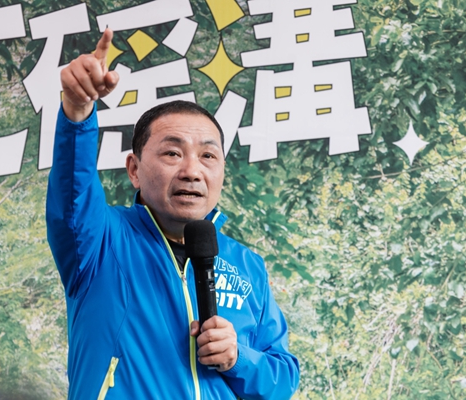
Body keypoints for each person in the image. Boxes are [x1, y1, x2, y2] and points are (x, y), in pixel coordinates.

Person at [46, 28, 300, 400]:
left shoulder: (247, 265)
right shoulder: (100, 240)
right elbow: (73, 187)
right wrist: (77, 111)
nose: (192, 171)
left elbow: (282, 379)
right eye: (172, 153)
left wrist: (238, 358)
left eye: (208, 155)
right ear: (134, 170)